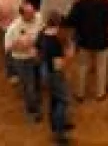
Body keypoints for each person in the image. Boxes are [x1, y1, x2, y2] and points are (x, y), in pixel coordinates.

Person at [65, 0, 108, 101]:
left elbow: (70, 21)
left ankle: (80, 93)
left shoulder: (79, 5)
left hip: (84, 40)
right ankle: (100, 93)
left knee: (82, 66)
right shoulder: (106, 5)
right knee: (101, 67)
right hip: (101, 40)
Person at [38, 11, 73, 142]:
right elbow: (60, 62)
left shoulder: (42, 33)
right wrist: (69, 54)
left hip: (45, 71)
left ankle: (55, 124)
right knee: (63, 101)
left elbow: (37, 50)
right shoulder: (57, 39)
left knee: (54, 99)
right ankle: (59, 132)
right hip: (55, 73)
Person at [5, 2, 44, 119]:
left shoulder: (39, 17)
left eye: (33, 12)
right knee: (28, 85)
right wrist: (20, 45)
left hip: (36, 56)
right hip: (22, 60)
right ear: (22, 15)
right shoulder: (14, 28)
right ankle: (32, 111)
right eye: (30, 14)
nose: (33, 15)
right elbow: (7, 47)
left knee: (37, 80)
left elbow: (43, 31)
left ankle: (36, 99)